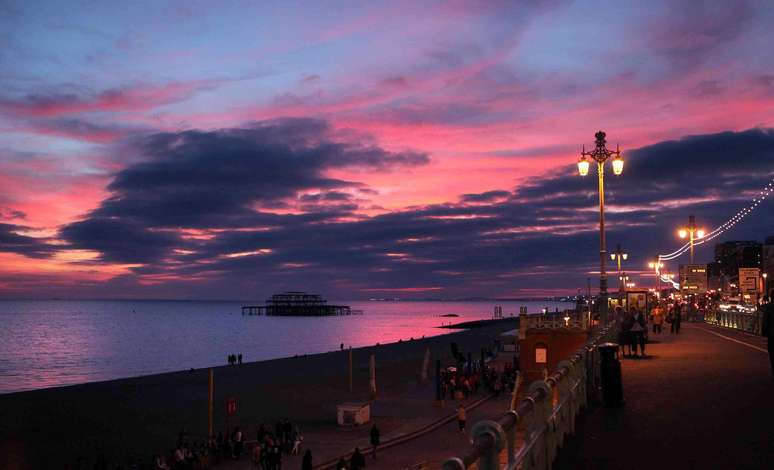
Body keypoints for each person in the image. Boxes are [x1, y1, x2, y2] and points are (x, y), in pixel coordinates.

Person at [761, 296, 774, 380]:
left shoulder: (768, 307)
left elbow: (765, 321)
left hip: (772, 335)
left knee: (772, 354)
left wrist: (764, 332)